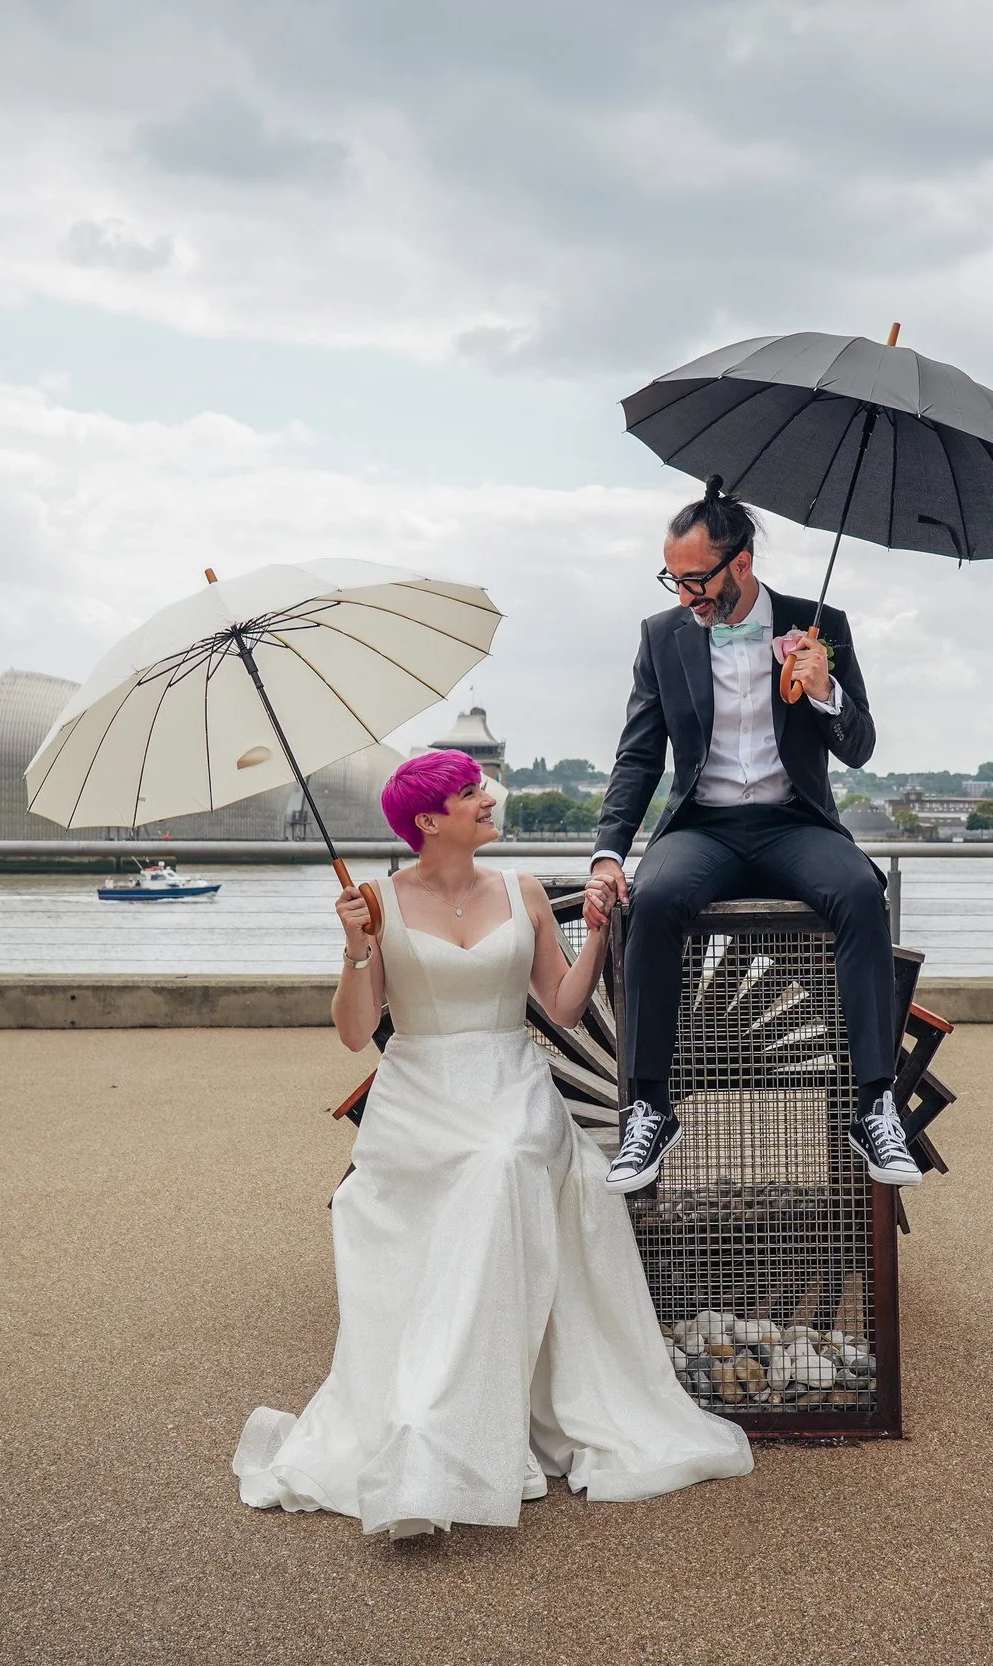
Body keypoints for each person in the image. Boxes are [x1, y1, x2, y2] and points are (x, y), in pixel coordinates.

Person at [232, 749, 751, 1540]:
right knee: (486, 1167)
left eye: (481, 787)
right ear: (428, 821)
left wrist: (601, 936)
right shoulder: (375, 900)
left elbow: (566, 1009)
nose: (487, 799)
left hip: (512, 1083)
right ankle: (435, 1425)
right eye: (470, 793)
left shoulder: (526, 890)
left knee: (505, 1159)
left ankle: (458, 1423)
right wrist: (356, 947)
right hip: (420, 1098)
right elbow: (351, 1032)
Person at [585, 476, 923, 1193]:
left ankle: (873, 1105)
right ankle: (649, 1105)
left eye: (696, 580)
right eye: (673, 580)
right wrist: (609, 851)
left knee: (863, 890)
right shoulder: (661, 636)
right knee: (653, 899)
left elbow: (859, 746)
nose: (686, 597)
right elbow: (640, 754)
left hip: (794, 824)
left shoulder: (818, 620)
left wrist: (825, 689)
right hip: (701, 828)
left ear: (741, 562)